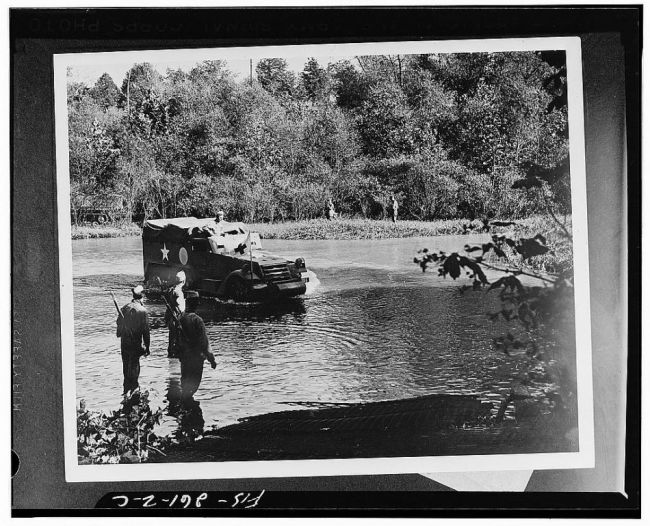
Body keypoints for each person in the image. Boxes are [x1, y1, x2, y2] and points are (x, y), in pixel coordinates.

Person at [116, 285, 150, 396]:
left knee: (126, 367)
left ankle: (126, 391)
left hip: (125, 343)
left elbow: (118, 325)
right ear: (142, 297)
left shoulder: (125, 308)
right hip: (135, 343)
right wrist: (147, 347)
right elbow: (146, 332)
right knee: (134, 366)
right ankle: (134, 391)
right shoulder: (143, 311)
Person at [176, 311, 217, 402]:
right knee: (193, 386)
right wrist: (211, 360)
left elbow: (176, 340)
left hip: (184, 357)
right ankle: (187, 406)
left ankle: (184, 405)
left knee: (185, 383)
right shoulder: (197, 320)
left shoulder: (180, 317)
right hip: (196, 359)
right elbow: (204, 343)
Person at [166, 270, 186, 358]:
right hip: (176, 318)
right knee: (177, 340)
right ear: (183, 281)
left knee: (172, 339)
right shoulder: (178, 292)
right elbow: (179, 306)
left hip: (172, 317)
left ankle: (171, 360)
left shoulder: (172, 289)